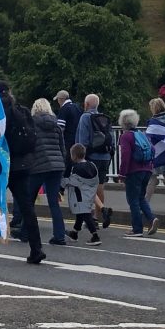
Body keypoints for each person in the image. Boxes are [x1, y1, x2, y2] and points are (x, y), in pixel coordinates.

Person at [0, 81, 45, 264]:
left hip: (2, 165)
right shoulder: (23, 111)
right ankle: (37, 249)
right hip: (23, 165)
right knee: (27, 207)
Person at [27, 98, 67, 245]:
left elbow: (30, 146)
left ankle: (26, 232)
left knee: (29, 201)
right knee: (53, 203)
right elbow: (62, 148)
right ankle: (59, 235)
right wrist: (62, 164)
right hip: (57, 166)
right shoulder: (56, 125)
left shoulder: (32, 124)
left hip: (39, 165)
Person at [117, 109, 160, 238]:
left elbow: (125, 156)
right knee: (141, 197)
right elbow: (152, 150)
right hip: (147, 170)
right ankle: (152, 219)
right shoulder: (142, 134)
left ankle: (137, 229)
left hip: (133, 171)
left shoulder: (125, 136)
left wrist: (122, 174)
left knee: (133, 200)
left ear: (123, 122)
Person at [75, 93, 113, 228]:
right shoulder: (104, 118)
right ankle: (97, 217)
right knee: (100, 186)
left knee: (85, 188)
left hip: (91, 157)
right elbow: (111, 138)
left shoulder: (85, 118)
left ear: (86, 105)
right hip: (105, 157)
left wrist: (79, 159)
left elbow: (82, 141)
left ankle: (91, 218)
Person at [64, 144, 101, 246]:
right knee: (80, 214)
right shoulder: (91, 165)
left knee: (85, 215)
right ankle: (74, 233)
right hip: (90, 193)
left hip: (80, 195)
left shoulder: (76, 168)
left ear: (74, 156)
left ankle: (95, 236)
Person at [54, 89, 83, 175]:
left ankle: (63, 185)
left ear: (61, 99)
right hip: (77, 139)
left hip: (67, 140)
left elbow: (60, 128)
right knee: (75, 161)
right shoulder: (77, 107)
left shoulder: (64, 109)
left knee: (66, 163)